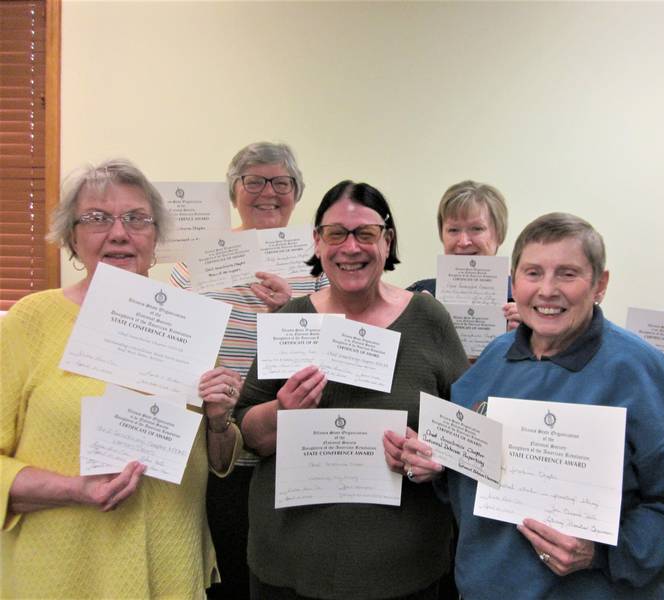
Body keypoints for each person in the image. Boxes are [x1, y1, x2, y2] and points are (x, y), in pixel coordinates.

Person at [387, 212, 664, 599]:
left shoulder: (637, 370)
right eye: (533, 273)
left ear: (600, 284)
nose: (547, 290)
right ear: (513, 280)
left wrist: (603, 552)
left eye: (567, 274)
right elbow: (464, 484)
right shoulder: (492, 363)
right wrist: (431, 465)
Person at [1, 159, 242, 599]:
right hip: (62, 569)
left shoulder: (187, 323)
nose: (118, 233)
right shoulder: (31, 321)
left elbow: (216, 458)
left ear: (156, 237)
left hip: (167, 564)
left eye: (136, 219)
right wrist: (76, 490)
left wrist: (219, 419)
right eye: (96, 219)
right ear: (71, 236)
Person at [234, 180, 469, 599]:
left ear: (388, 240)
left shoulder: (428, 318)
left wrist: (433, 457)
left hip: (402, 570)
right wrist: (281, 412)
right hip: (289, 568)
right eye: (336, 233)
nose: (351, 247)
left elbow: (464, 430)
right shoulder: (292, 317)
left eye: (366, 233)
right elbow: (246, 431)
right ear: (318, 242)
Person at [170, 142, 328, 599]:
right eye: (254, 181)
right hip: (216, 453)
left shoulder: (319, 264)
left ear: (297, 193)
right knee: (229, 576)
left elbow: (335, 355)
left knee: (288, 580)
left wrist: (290, 309)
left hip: (291, 447)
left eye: (282, 182)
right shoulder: (197, 263)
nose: (268, 192)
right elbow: (171, 345)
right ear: (233, 190)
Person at [407, 180, 519, 327]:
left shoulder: (528, 301)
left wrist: (527, 338)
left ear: (499, 234)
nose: (463, 242)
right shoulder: (418, 295)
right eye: (453, 230)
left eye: (477, 229)